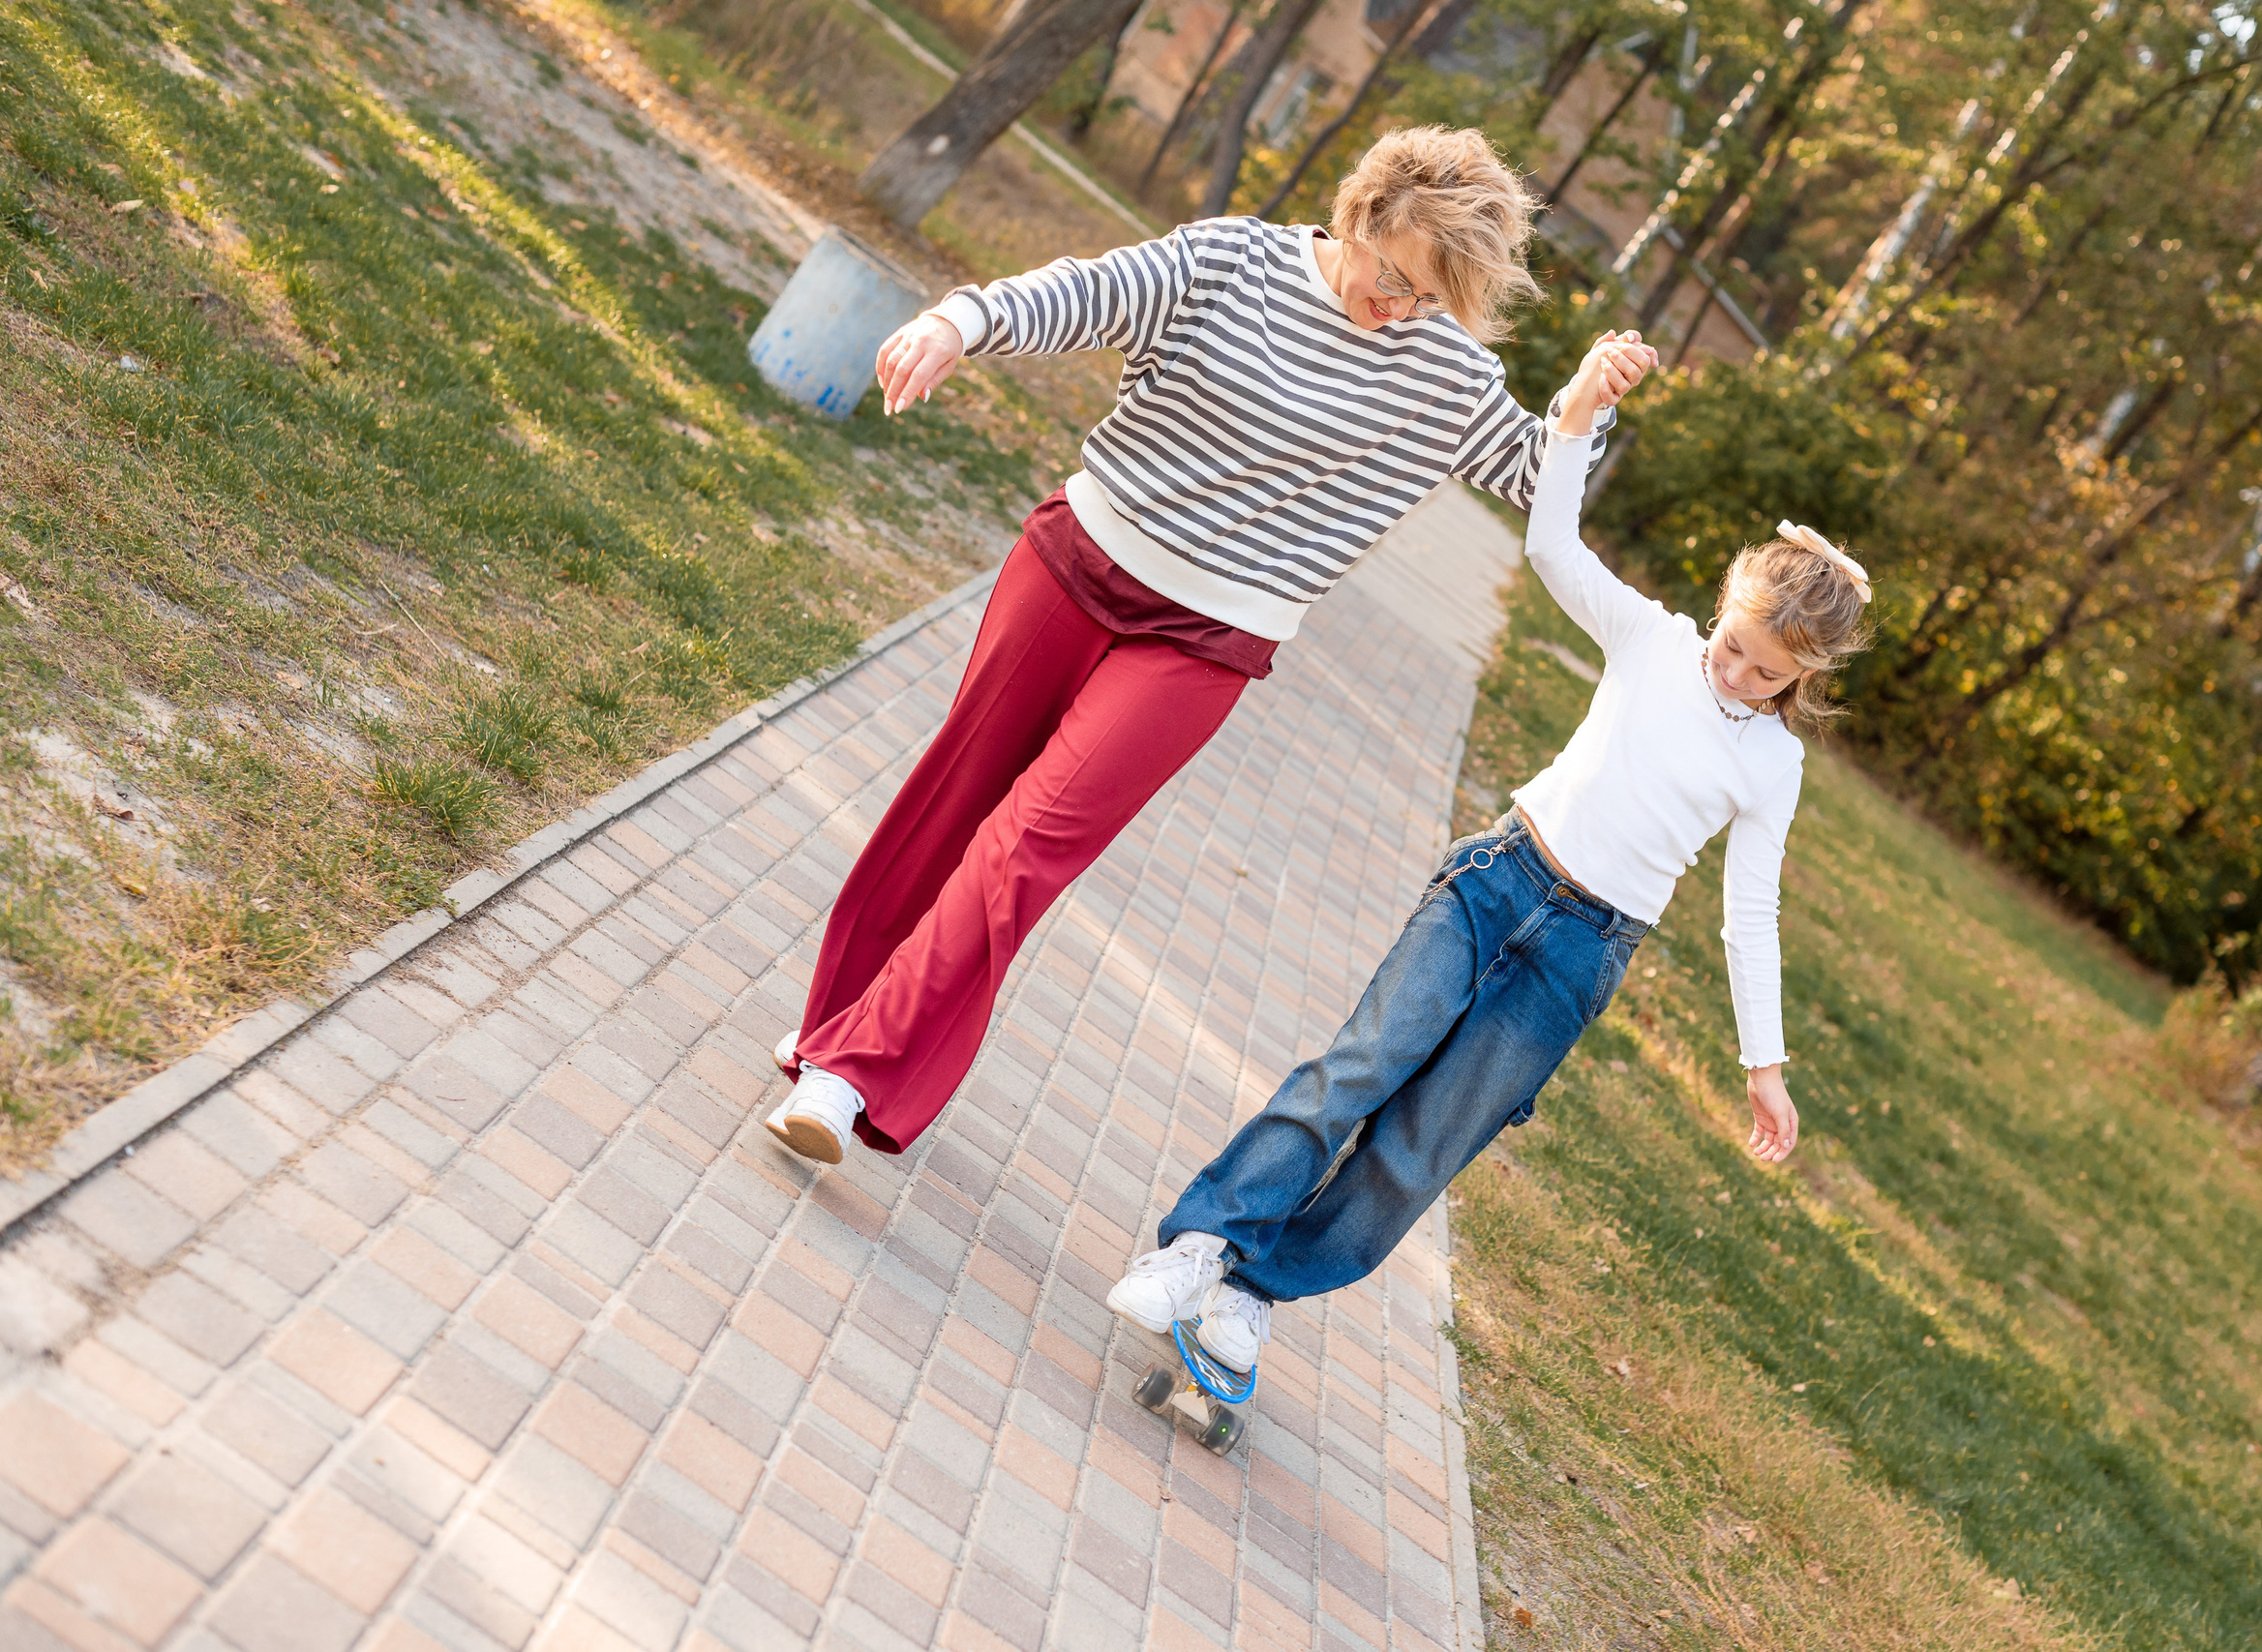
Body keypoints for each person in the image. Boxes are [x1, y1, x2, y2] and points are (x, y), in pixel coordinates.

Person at [763, 128, 1649, 1165]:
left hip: (1209, 638)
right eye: (1392, 275)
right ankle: (833, 1029)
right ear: (1359, 215)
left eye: (1429, 296)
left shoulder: (1445, 372)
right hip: (1074, 564)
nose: (1400, 306)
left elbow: (1539, 481)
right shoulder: (1232, 260)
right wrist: (959, 323)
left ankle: (850, 1073)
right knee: (955, 800)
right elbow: (1085, 293)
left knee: (1027, 846)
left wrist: (1581, 408)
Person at [1105, 330, 1876, 1374]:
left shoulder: (1774, 765)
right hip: (1497, 880)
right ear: (1724, 603)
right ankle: (1202, 1244)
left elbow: (1751, 917)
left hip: (1581, 956)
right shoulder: (1653, 639)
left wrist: (1764, 1067)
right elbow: (1553, 546)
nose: (1734, 673)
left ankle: (1252, 1292)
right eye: (1733, 644)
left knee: (1420, 1150)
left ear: (1803, 677)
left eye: (1764, 672)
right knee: (1361, 1066)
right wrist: (1579, 409)